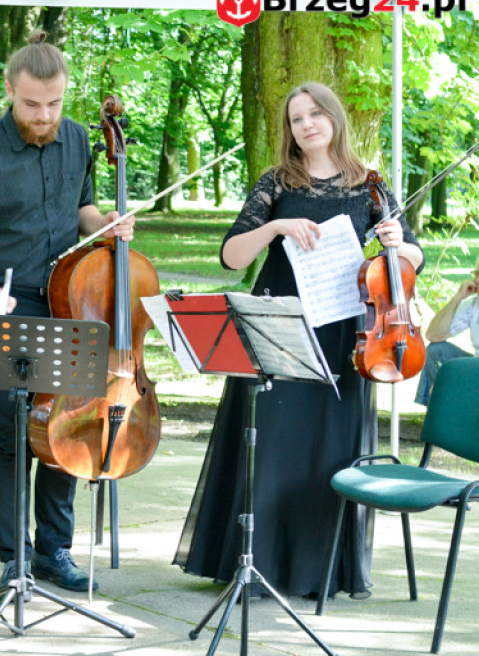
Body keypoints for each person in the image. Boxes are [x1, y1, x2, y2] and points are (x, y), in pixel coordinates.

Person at [173, 82, 425, 600]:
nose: (306, 124)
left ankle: (319, 572)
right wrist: (277, 227)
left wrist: (400, 244)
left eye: (315, 114)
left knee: (326, 451)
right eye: (295, 119)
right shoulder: (276, 182)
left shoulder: (370, 186)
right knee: (268, 445)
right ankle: (255, 564)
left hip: (344, 334)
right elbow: (232, 257)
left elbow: (411, 259)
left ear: (334, 117)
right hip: (278, 325)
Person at [0, 31, 134, 593]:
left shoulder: (77, 138)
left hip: (68, 299)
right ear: (10, 90)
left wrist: (107, 227)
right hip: (6, 302)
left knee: (66, 429)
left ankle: (55, 550)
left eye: (54, 103)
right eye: (31, 104)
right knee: (10, 436)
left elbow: (83, 208)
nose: (44, 115)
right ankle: (15, 555)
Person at [414, 254, 479, 405]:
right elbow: (433, 335)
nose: (476, 280)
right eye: (476, 273)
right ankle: (438, 410)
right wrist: (458, 297)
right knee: (436, 351)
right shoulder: (472, 305)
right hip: (475, 366)